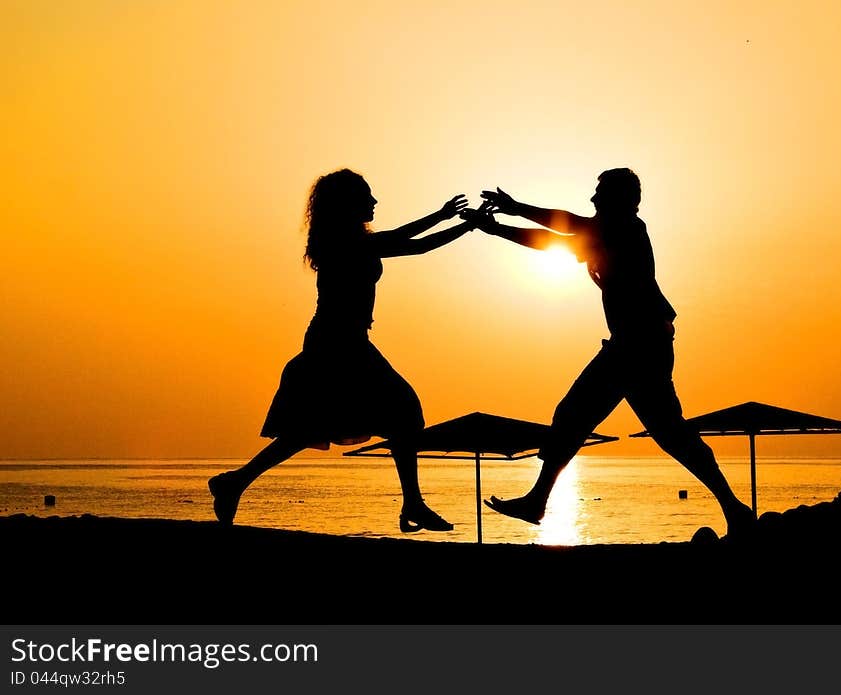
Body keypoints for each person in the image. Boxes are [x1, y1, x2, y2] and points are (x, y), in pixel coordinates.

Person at [471, 168, 754, 536]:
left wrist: (504, 219)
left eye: (600, 193)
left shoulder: (625, 230)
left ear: (620, 199)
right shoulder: (608, 233)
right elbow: (564, 233)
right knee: (666, 433)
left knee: (581, 415)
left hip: (639, 344)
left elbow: (561, 231)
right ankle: (735, 510)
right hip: (638, 343)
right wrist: (510, 212)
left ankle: (537, 501)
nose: (593, 200)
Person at [210, 168, 480, 533]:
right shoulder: (345, 243)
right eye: (367, 196)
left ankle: (235, 482)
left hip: (345, 341)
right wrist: (468, 225)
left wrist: (444, 216)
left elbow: (400, 238)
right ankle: (413, 504)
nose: (374, 202)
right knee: (401, 413)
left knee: (309, 429)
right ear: (348, 204)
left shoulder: (348, 240)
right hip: (337, 343)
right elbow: (411, 244)